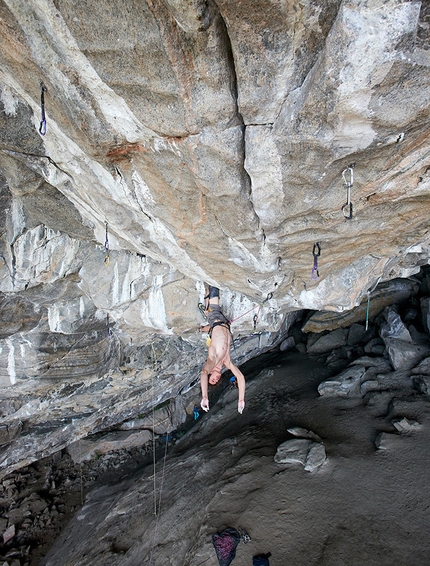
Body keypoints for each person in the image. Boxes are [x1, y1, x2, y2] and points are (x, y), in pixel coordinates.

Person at [199, 285, 245, 414]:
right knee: (210, 306)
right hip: (225, 323)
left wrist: (204, 397)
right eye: (216, 381)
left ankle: (209, 286)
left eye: (212, 379)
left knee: (214, 291)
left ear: (211, 373)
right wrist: (241, 400)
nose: (216, 379)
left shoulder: (212, 360)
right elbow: (240, 377)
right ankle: (207, 294)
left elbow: (203, 373)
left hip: (215, 320)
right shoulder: (227, 361)